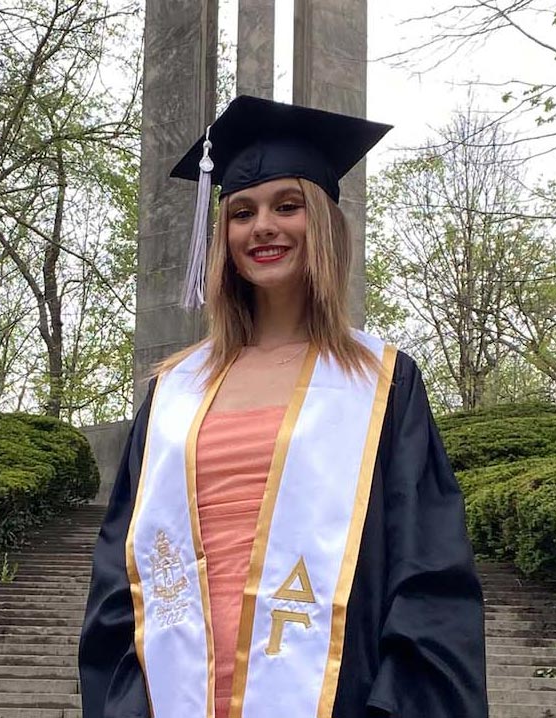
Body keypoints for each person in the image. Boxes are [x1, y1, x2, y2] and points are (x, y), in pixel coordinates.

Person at [78, 96, 489, 718]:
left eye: (286, 206)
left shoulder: (382, 381)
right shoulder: (175, 389)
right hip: (175, 691)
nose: (262, 226)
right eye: (241, 212)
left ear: (322, 221)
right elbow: (121, 573)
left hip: (335, 689)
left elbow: (426, 570)